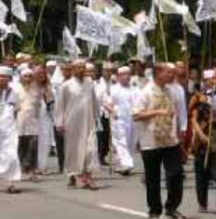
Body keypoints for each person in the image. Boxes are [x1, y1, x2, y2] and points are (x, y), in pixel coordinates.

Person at [133, 63, 186, 219]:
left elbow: (179, 111)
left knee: (176, 174)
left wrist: (181, 130)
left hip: (171, 141)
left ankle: (172, 207)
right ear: (158, 73)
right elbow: (136, 115)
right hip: (151, 142)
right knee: (153, 178)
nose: (172, 75)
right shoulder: (146, 92)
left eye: (173, 73)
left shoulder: (173, 91)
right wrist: (157, 112)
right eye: (169, 72)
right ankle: (154, 210)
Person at [57, 60, 101, 190]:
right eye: (79, 67)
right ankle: (73, 174)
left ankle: (88, 175)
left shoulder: (89, 83)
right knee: (74, 150)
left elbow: (94, 100)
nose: (82, 70)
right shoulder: (66, 85)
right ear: (73, 69)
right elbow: (60, 105)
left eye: (83, 67)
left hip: (89, 122)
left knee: (91, 148)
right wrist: (59, 122)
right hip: (72, 123)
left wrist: (97, 116)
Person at [189, 88, 216, 215]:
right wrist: (201, 135)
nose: (210, 96)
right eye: (208, 94)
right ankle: (202, 203)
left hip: (215, 143)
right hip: (201, 145)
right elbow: (193, 121)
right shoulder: (198, 106)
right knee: (201, 176)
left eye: (212, 94)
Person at [14, 67, 50, 182]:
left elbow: (40, 104)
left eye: (30, 76)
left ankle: (31, 170)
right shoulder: (16, 89)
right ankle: (21, 169)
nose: (28, 78)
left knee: (33, 145)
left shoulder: (37, 89)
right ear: (21, 77)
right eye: (25, 76)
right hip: (19, 121)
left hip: (34, 122)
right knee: (21, 146)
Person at [106, 66, 140, 175]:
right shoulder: (114, 89)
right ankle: (127, 164)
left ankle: (123, 164)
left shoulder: (135, 89)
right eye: (124, 74)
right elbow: (107, 103)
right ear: (119, 76)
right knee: (121, 141)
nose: (127, 76)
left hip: (132, 119)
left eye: (129, 74)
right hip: (119, 119)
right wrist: (113, 111)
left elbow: (140, 103)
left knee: (131, 142)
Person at [0, 66, 22, 194]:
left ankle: (11, 183)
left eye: (5, 77)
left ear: (9, 79)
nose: (2, 79)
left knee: (12, 155)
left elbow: (16, 111)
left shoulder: (13, 93)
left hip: (9, 130)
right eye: (0, 77)